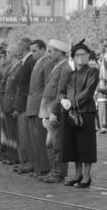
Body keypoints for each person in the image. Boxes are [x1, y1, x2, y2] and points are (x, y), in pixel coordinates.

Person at [55, 40, 99, 188]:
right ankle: (77, 174)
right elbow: (60, 91)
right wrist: (62, 101)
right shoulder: (70, 74)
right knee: (74, 146)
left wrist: (71, 103)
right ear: (73, 57)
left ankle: (86, 177)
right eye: (77, 55)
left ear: (88, 56)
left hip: (85, 113)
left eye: (83, 55)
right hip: (69, 113)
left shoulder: (93, 71)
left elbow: (88, 92)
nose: (80, 58)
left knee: (86, 146)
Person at [39, 39, 72, 183]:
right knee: (50, 144)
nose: (47, 54)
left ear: (59, 52)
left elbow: (61, 92)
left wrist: (54, 111)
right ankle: (54, 170)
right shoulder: (56, 65)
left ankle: (59, 173)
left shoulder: (65, 67)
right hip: (49, 109)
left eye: (50, 51)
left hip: (56, 111)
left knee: (57, 144)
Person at [25, 40, 50, 178]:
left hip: (39, 106)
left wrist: (44, 107)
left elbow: (47, 86)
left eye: (34, 50)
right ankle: (37, 166)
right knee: (34, 140)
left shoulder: (46, 63)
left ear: (43, 49)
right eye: (31, 50)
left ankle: (43, 168)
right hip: (32, 105)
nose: (32, 53)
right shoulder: (36, 63)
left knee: (40, 139)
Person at [12, 38, 35, 173]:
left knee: (25, 135)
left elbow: (28, 85)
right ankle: (23, 161)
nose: (17, 48)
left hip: (26, 103)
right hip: (21, 103)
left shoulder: (30, 61)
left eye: (18, 46)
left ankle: (27, 162)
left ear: (24, 47)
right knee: (22, 135)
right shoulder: (25, 61)